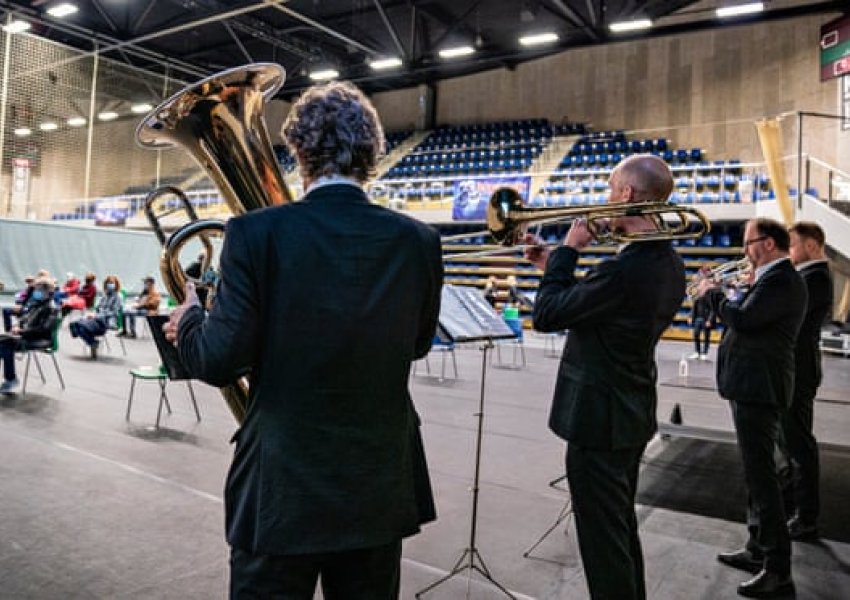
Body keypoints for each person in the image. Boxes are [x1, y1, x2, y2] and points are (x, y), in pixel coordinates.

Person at [165, 81, 442, 599]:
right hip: (377, 483)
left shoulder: (253, 233)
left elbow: (219, 360)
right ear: (373, 152)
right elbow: (419, 344)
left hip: (281, 487)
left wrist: (192, 320)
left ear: (297, 150)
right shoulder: (420, 241)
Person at [527, 154, 686, 600]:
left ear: (626, 195)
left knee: (602, 543)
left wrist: (568, 251)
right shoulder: (667, 262)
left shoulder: (624, 267)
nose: (603, 200)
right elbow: (600, 309)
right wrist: (552, 267)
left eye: (610, 189)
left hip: (599, 419)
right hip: (629, 414)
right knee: (618, 531)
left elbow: (546, 315)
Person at [696, 218, 806, 598]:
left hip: (760, 389)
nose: (744, 250)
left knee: (763, 478)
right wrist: (729, 294)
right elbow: (746, 317)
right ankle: (757, 547)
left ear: (771, 244)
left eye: (750, 242)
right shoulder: (767, 280)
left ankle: (778, 569)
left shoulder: (782, 281)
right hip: (750, 387)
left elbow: (743, 319)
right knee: (754, 473)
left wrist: (712, 293)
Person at [783, 222, 833, 540]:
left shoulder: (814, 278)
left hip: (799, 369)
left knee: (799, 444)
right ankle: (794, 510)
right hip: (797, 368)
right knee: (790, 443)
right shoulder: (808, 276)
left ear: (812, 246)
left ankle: (806, 516)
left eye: (792, 246)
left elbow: (788, 319)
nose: (789, 253)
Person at [0, 276, 56, 394]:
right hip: (28, 335)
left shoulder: (51, 308)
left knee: (5, 344)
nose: (35, 292)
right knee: (3, 341)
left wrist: (21, 331)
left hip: (40, 339)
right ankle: (10, 378)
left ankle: (11, 379)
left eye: (38, 289)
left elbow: (43, 329)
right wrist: (17, 325)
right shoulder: (37, 304)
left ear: (46, 291)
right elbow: (25, 318)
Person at [69, 275, 123, 359]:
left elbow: (114, 313)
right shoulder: (104, 296)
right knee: (75, 325)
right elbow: (97, 308)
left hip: (106, 321)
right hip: (96, 318)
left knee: (82, 326)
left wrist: (97, 315)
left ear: (116, 284)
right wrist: (91, 314)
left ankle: (92, 342)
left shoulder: (118, 297)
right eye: (108, 283)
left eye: (112, 283)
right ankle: (93, 342)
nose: (110, 285)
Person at [689, 293, 714, 360]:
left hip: (706, 319)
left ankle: (704, 353)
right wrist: (691, 316)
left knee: (706, 337)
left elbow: (712, 310)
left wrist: (709, 320)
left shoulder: (709, 297)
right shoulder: (697, 296)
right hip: (698, 318)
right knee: (696, 335)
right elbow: (694, 307)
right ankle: (697, 352)